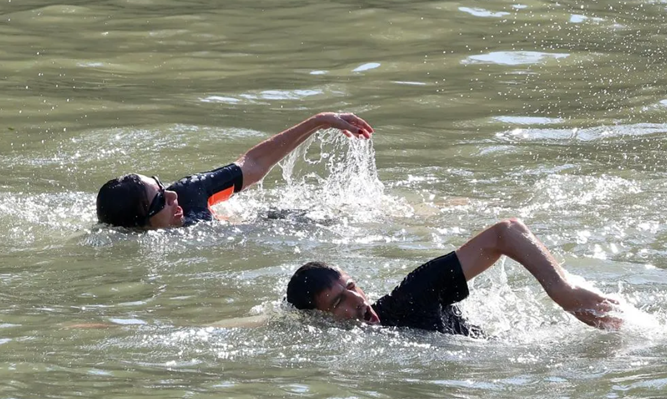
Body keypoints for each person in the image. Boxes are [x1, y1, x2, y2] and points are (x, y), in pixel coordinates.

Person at [286, 218, 623, 337]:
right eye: (339, 301)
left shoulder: (410, 297)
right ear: (319, 319)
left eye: (351, 286)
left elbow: (505, 233)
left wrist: (565, 291)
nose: (358, 300)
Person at [95, 112, 374, 230]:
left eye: (161, 186)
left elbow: (253, 164)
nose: (172, 197)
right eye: (160, 201)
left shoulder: (188, 192)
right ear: (136, 225)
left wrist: (319, 121)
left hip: (279, 220)